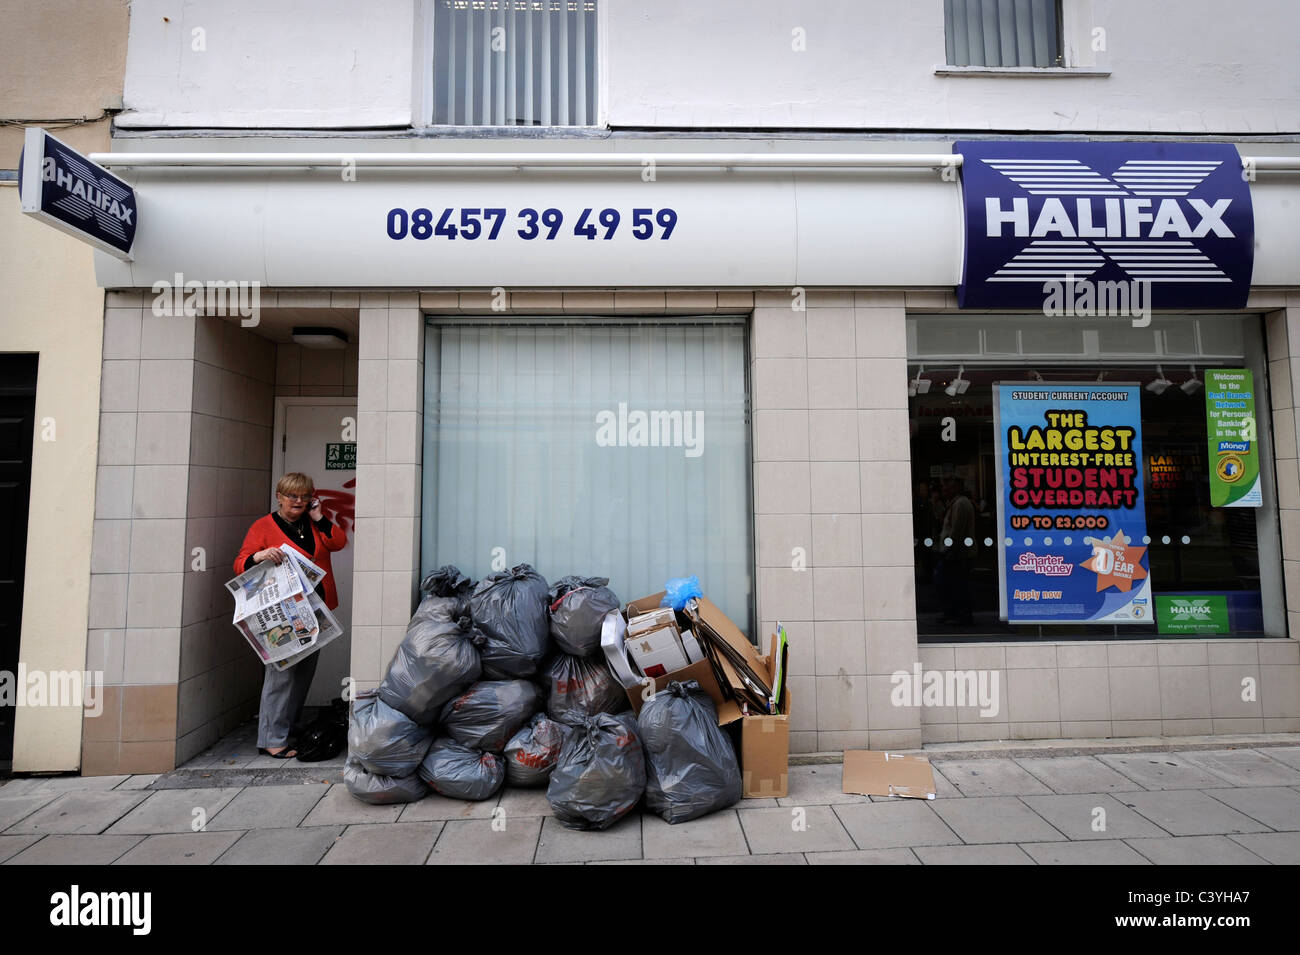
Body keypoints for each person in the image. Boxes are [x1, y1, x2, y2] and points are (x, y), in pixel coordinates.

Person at [234, 472, 348, 758]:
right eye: (292, 496)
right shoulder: (263, 526)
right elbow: (240, 564)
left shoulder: (314, 523)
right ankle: (272, 738)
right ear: (279, 497)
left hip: (314, 609)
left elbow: (338, 542)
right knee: (281, 674)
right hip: (281, 614)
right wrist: (259, 557)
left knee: (303, 674)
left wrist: (320, 516)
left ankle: (291, 727)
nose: (298, 501)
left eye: (304, 496)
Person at [936, 476, 976, 625]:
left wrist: (949, 551)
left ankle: (961, 616)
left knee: (957, 585)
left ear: (956, 488)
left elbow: (956, 532)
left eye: (947, 487)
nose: (944, 490)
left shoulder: (961, 504)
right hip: (957, 553)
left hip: (958, 555)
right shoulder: (956, 503)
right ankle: (957, 614)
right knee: (955, 585)